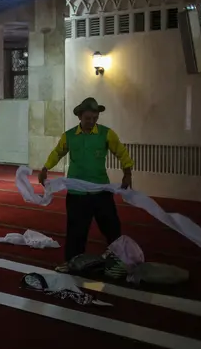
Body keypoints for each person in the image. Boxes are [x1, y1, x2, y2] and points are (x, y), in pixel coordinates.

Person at [37, 97, 134, 273]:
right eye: (88, 118)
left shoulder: (106, 134)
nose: (91, 121)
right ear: (80, 117)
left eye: (95, 118)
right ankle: (72, 262)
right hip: (77, 193)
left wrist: (127, 172)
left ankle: (121, 260)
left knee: (112, 227)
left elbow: (121, 152)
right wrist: (45, 168)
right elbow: (58, 152)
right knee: (76, 231)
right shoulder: (69, 135)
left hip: (100, 191)